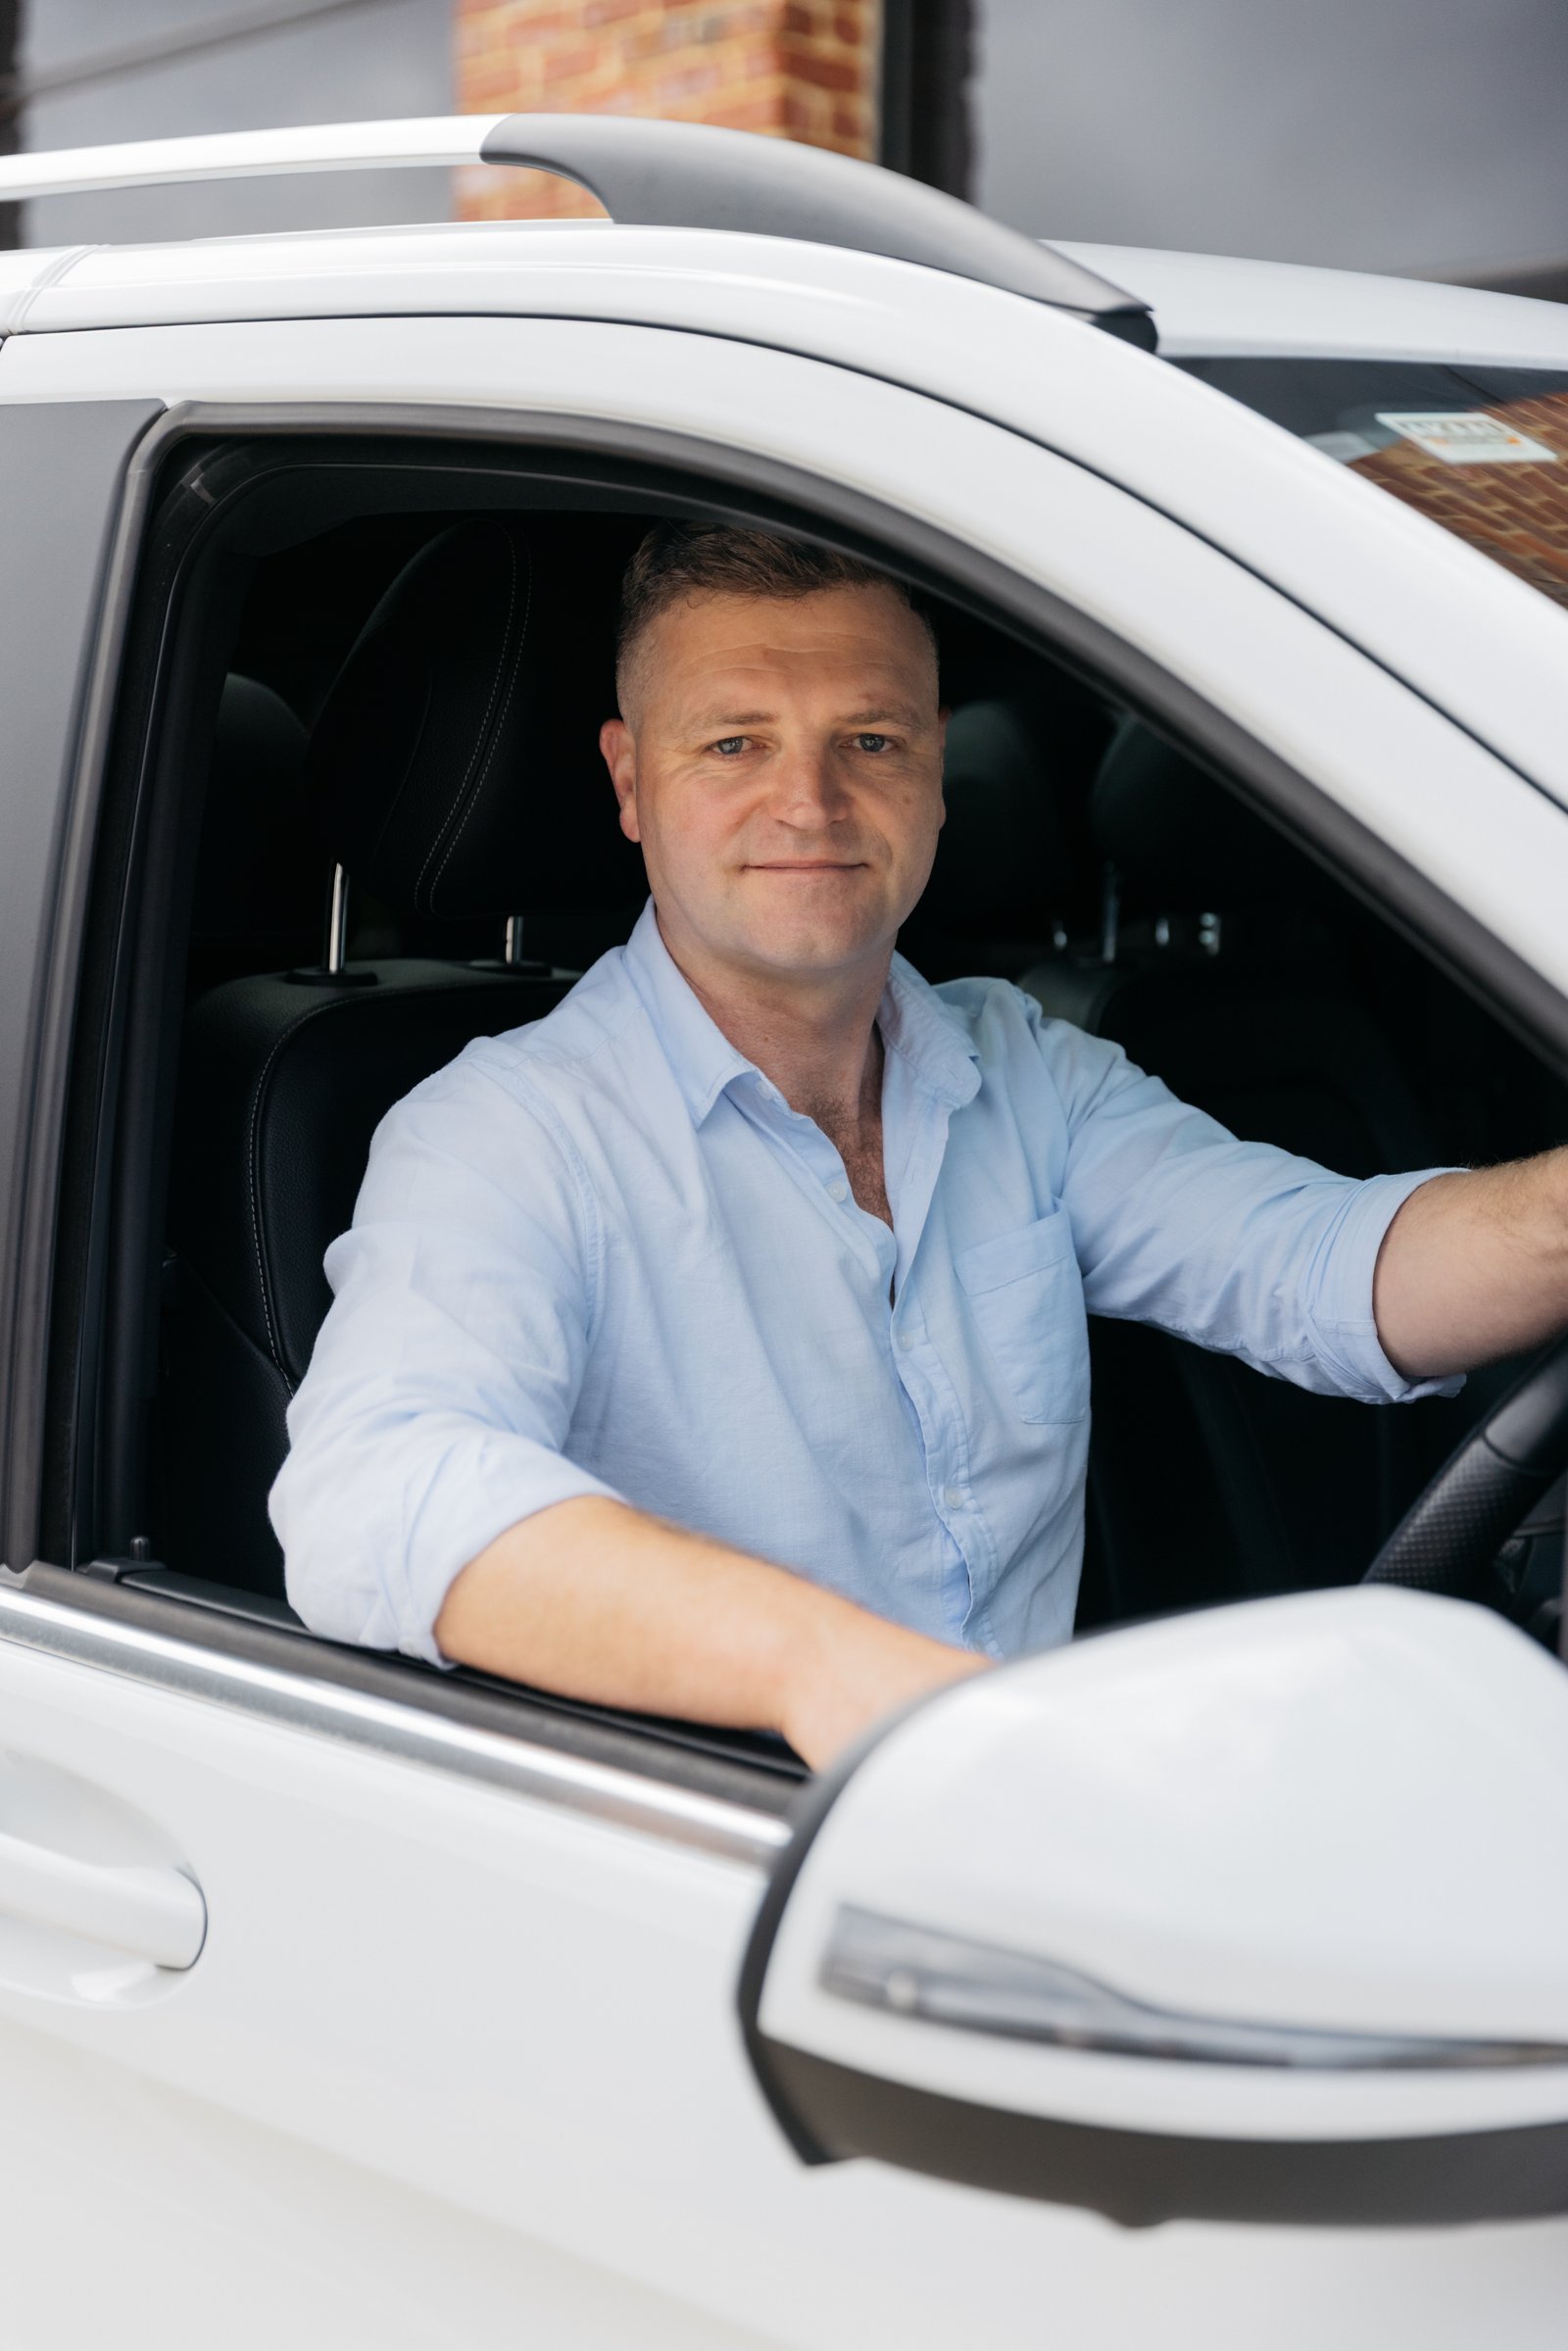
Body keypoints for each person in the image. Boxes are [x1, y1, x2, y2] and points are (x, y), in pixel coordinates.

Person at [273, 523, 1568, 1768]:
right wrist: (817, 1668)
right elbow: (377, 1490)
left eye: (870, 740)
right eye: (734, 743)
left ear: (936, 768)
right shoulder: (506, 1135)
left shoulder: (1021, 1070)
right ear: (629, 781)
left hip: (1016, 1828)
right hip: (717, 1882)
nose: (811, 802)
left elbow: (1332, 1270)